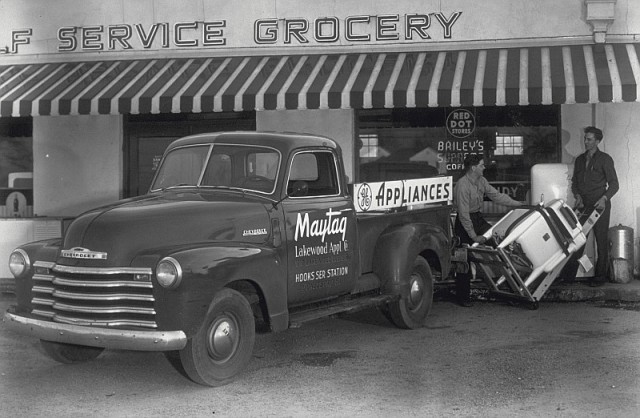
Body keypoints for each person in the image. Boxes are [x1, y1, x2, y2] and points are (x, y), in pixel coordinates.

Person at [453, 154, 522, 307]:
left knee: (499, 245)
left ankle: (512, 289)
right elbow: (464, 215)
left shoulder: (481, 181)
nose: (484, 167)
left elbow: (496, 196)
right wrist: (473, 236)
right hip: (464, 223)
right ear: (473, 168)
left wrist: (518, 204)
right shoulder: (462, 185)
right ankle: (462, 298)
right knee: (463, 260)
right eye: (482, 165)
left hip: (478, 218)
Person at [561, 126, 619, 287]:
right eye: (585, 138)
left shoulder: (605, 159)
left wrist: (604, 198)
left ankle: (600, 278)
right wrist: (577, 195)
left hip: (600, 206)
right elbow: (575, 183)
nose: (585, 141)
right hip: (583, 205)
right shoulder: (580, 160)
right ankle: (568, 277)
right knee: (578, 240)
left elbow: (614, 184)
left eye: (589, 139)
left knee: (601, 242)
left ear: (598, 141)